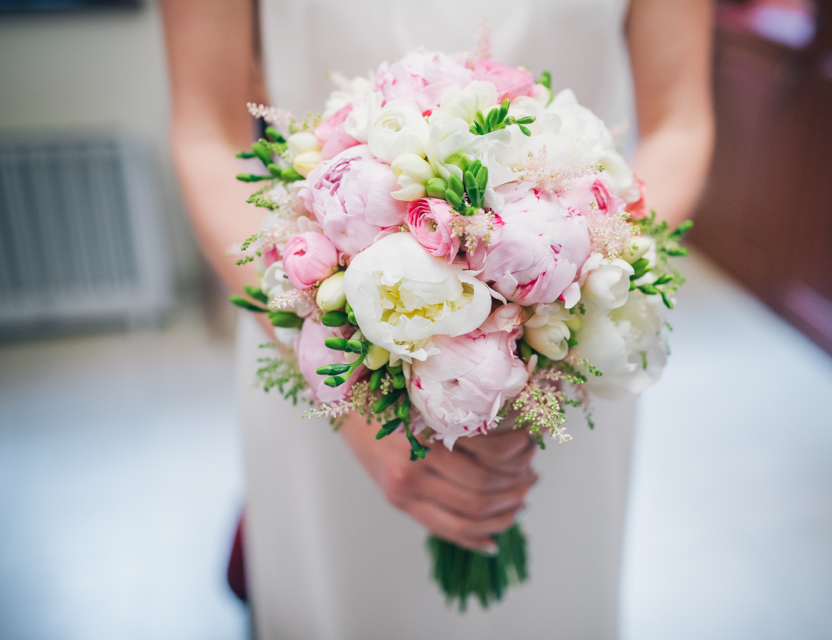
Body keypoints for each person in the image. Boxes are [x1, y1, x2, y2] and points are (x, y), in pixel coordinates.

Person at [161, 1, 713, 637]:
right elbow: (206, 130)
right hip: (323, 346)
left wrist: (574, 311)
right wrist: (353, 402)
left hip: (564, 376)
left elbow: (680, 123)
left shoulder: (565, 340)